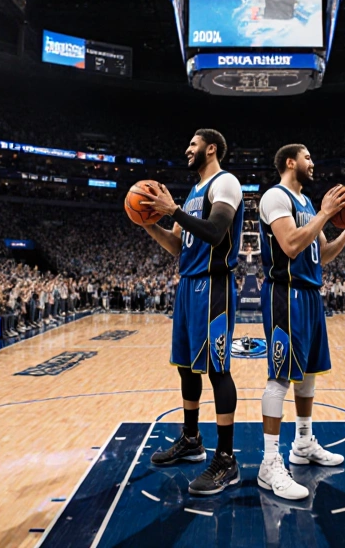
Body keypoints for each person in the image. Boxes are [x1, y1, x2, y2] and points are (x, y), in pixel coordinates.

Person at [135, 129, 245, 495]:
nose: (187, 149)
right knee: (186, 366)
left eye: (193, 144)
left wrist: (173, 211)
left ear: (211, 148)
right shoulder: (193, 193)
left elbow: (215, 232)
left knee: (217, 369)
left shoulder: (225, 183)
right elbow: (176, 245)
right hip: (187, 284)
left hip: (214, 286)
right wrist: (150, 222)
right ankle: (191, 439)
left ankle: (227, 459)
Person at [256, 144, 345, 500]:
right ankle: (269, 463)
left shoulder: (306, 205)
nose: (313, 163)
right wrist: (326, 213)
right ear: (290, 161)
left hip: (312, 294)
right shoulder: (276, 197)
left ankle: (303, 443)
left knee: (309, 373)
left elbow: (323, 254)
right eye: (308, 157)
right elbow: (289, 245)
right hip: (285, 294)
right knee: (280, 377)